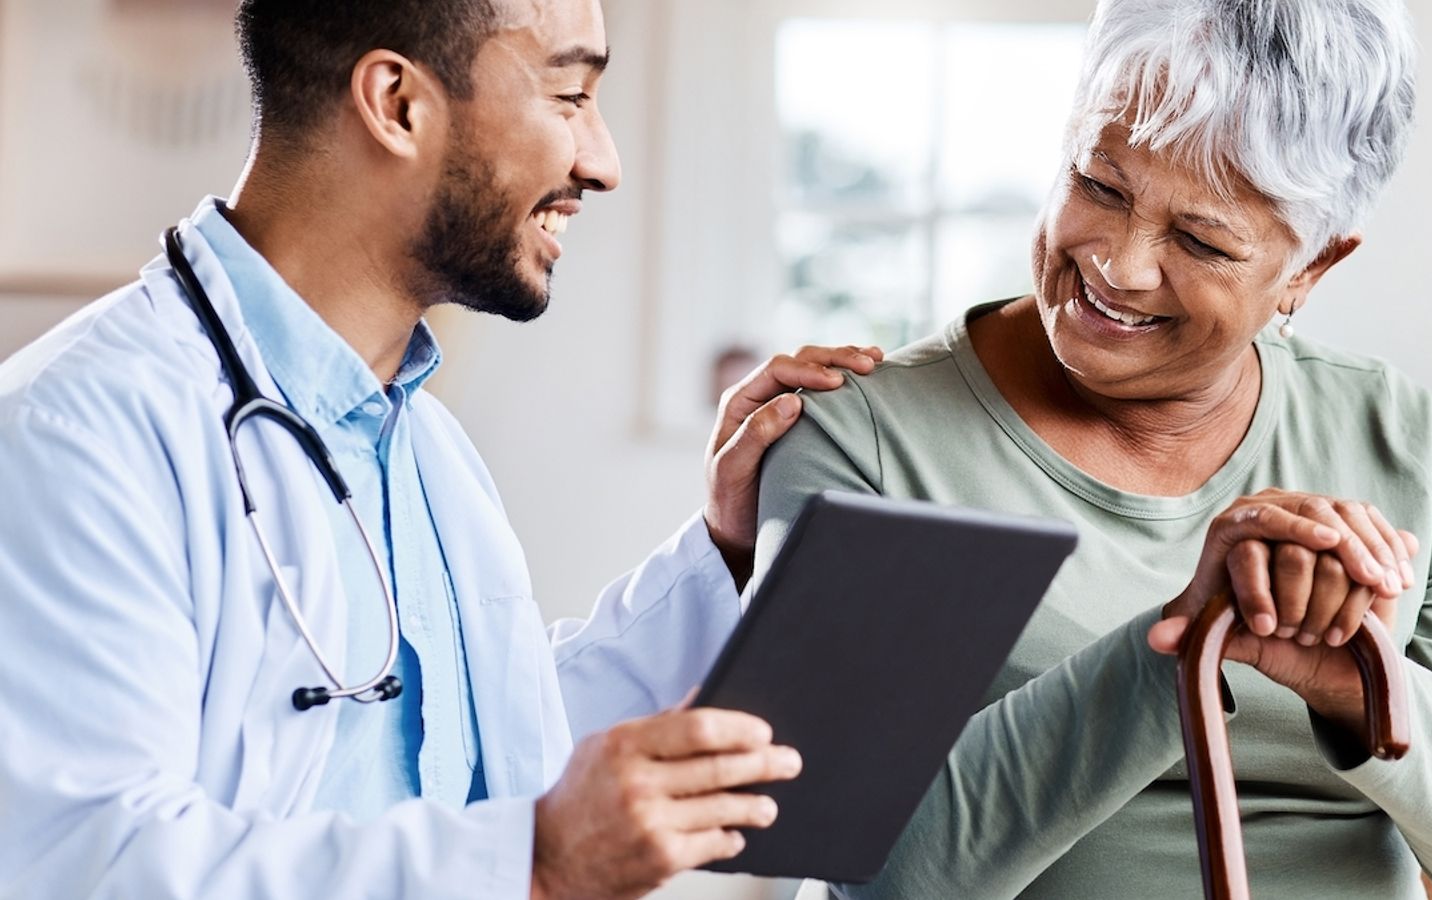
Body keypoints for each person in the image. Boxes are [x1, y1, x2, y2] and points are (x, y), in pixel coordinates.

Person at [0, 1, 885, 898]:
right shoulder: (75, 433)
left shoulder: (420, 440)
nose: (603, 163)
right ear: (397, 103)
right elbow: (78, 864)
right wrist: (533, 867)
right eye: (571, 94)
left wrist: (724, 548)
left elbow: (495, 760)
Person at [755, 0, 1432, 897]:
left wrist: (1358, 682)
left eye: (1200, 240)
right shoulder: (865, 442)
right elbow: (862, 873)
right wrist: (1181, 644)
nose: (1119, 265)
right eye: (1099, 185)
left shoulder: (1387, 429)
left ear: (1311, 269)